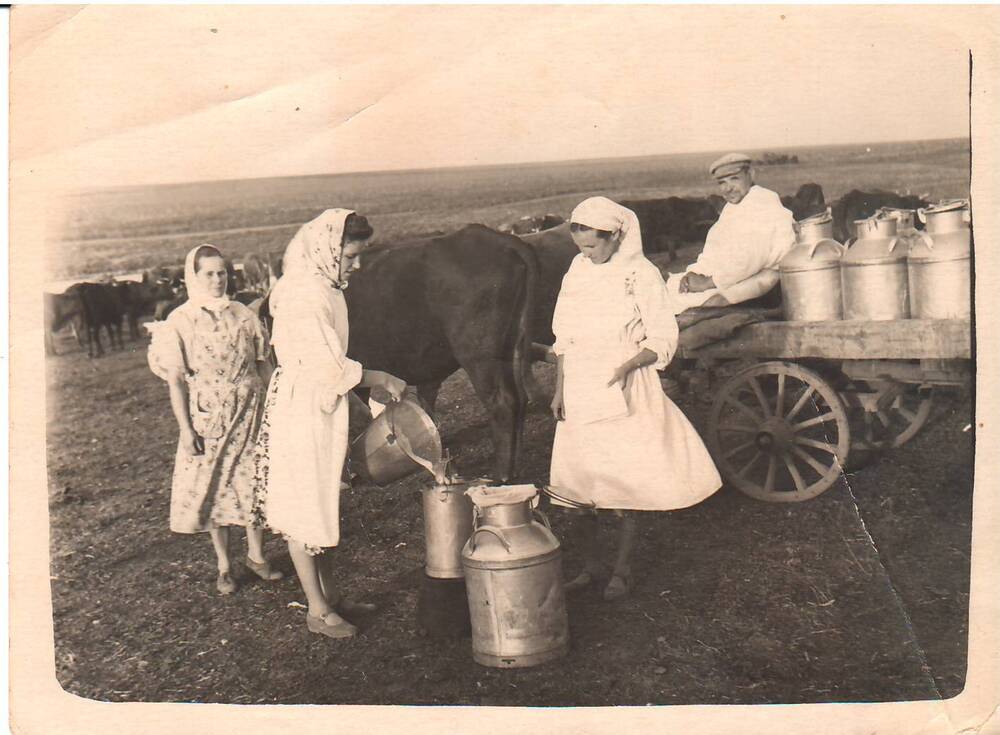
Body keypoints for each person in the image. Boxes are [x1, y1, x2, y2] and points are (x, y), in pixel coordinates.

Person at [549, 197, 723, 601]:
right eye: (581, 246)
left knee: (626, 481)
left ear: (616, 236)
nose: (586, 254)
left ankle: (621, 570)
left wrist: (626, 367)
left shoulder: (640, 273)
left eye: (593, 246)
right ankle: (590, 567)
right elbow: (565, 338)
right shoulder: (576, 271)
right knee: (580, 485)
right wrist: (560, 388)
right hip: (580, 385)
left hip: (625, 383)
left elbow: (663, 337)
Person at [255, 209, 407, 640]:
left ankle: (332, 595)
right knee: (306, 505)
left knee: (323, 502)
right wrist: (377, 378)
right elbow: (324, 364)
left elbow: (331, 365)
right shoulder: (305, 294)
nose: (357, 266)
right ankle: (317, 611)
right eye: (352, 256)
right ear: (327, 249)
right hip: (303, 407)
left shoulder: (326, 284)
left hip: (321, 402)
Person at [148, 244, 283, 595]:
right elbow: (176, 380)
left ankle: (257, 556)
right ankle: (224, 565)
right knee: (215, 484)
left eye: (221, 272)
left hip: (251, 408)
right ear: (193, 277)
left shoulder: (243, 314)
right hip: (210, 415)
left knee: (254, 480)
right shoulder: (180, 321)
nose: (217, 279)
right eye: (208, 273)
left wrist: (276, 403)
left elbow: (263, 362)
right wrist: (185, 429)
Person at [666, 153, 796, 312]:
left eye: (734, 179)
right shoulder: (732, 208)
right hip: (732, 276)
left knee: (703, 305)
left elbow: (751, 259)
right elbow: (714, 251)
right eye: (722, 182)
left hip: (762, 278)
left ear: (750, 175)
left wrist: (707, 283)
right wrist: (693, 275)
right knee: (670, 290)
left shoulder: (762, 202)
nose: (728, 188)